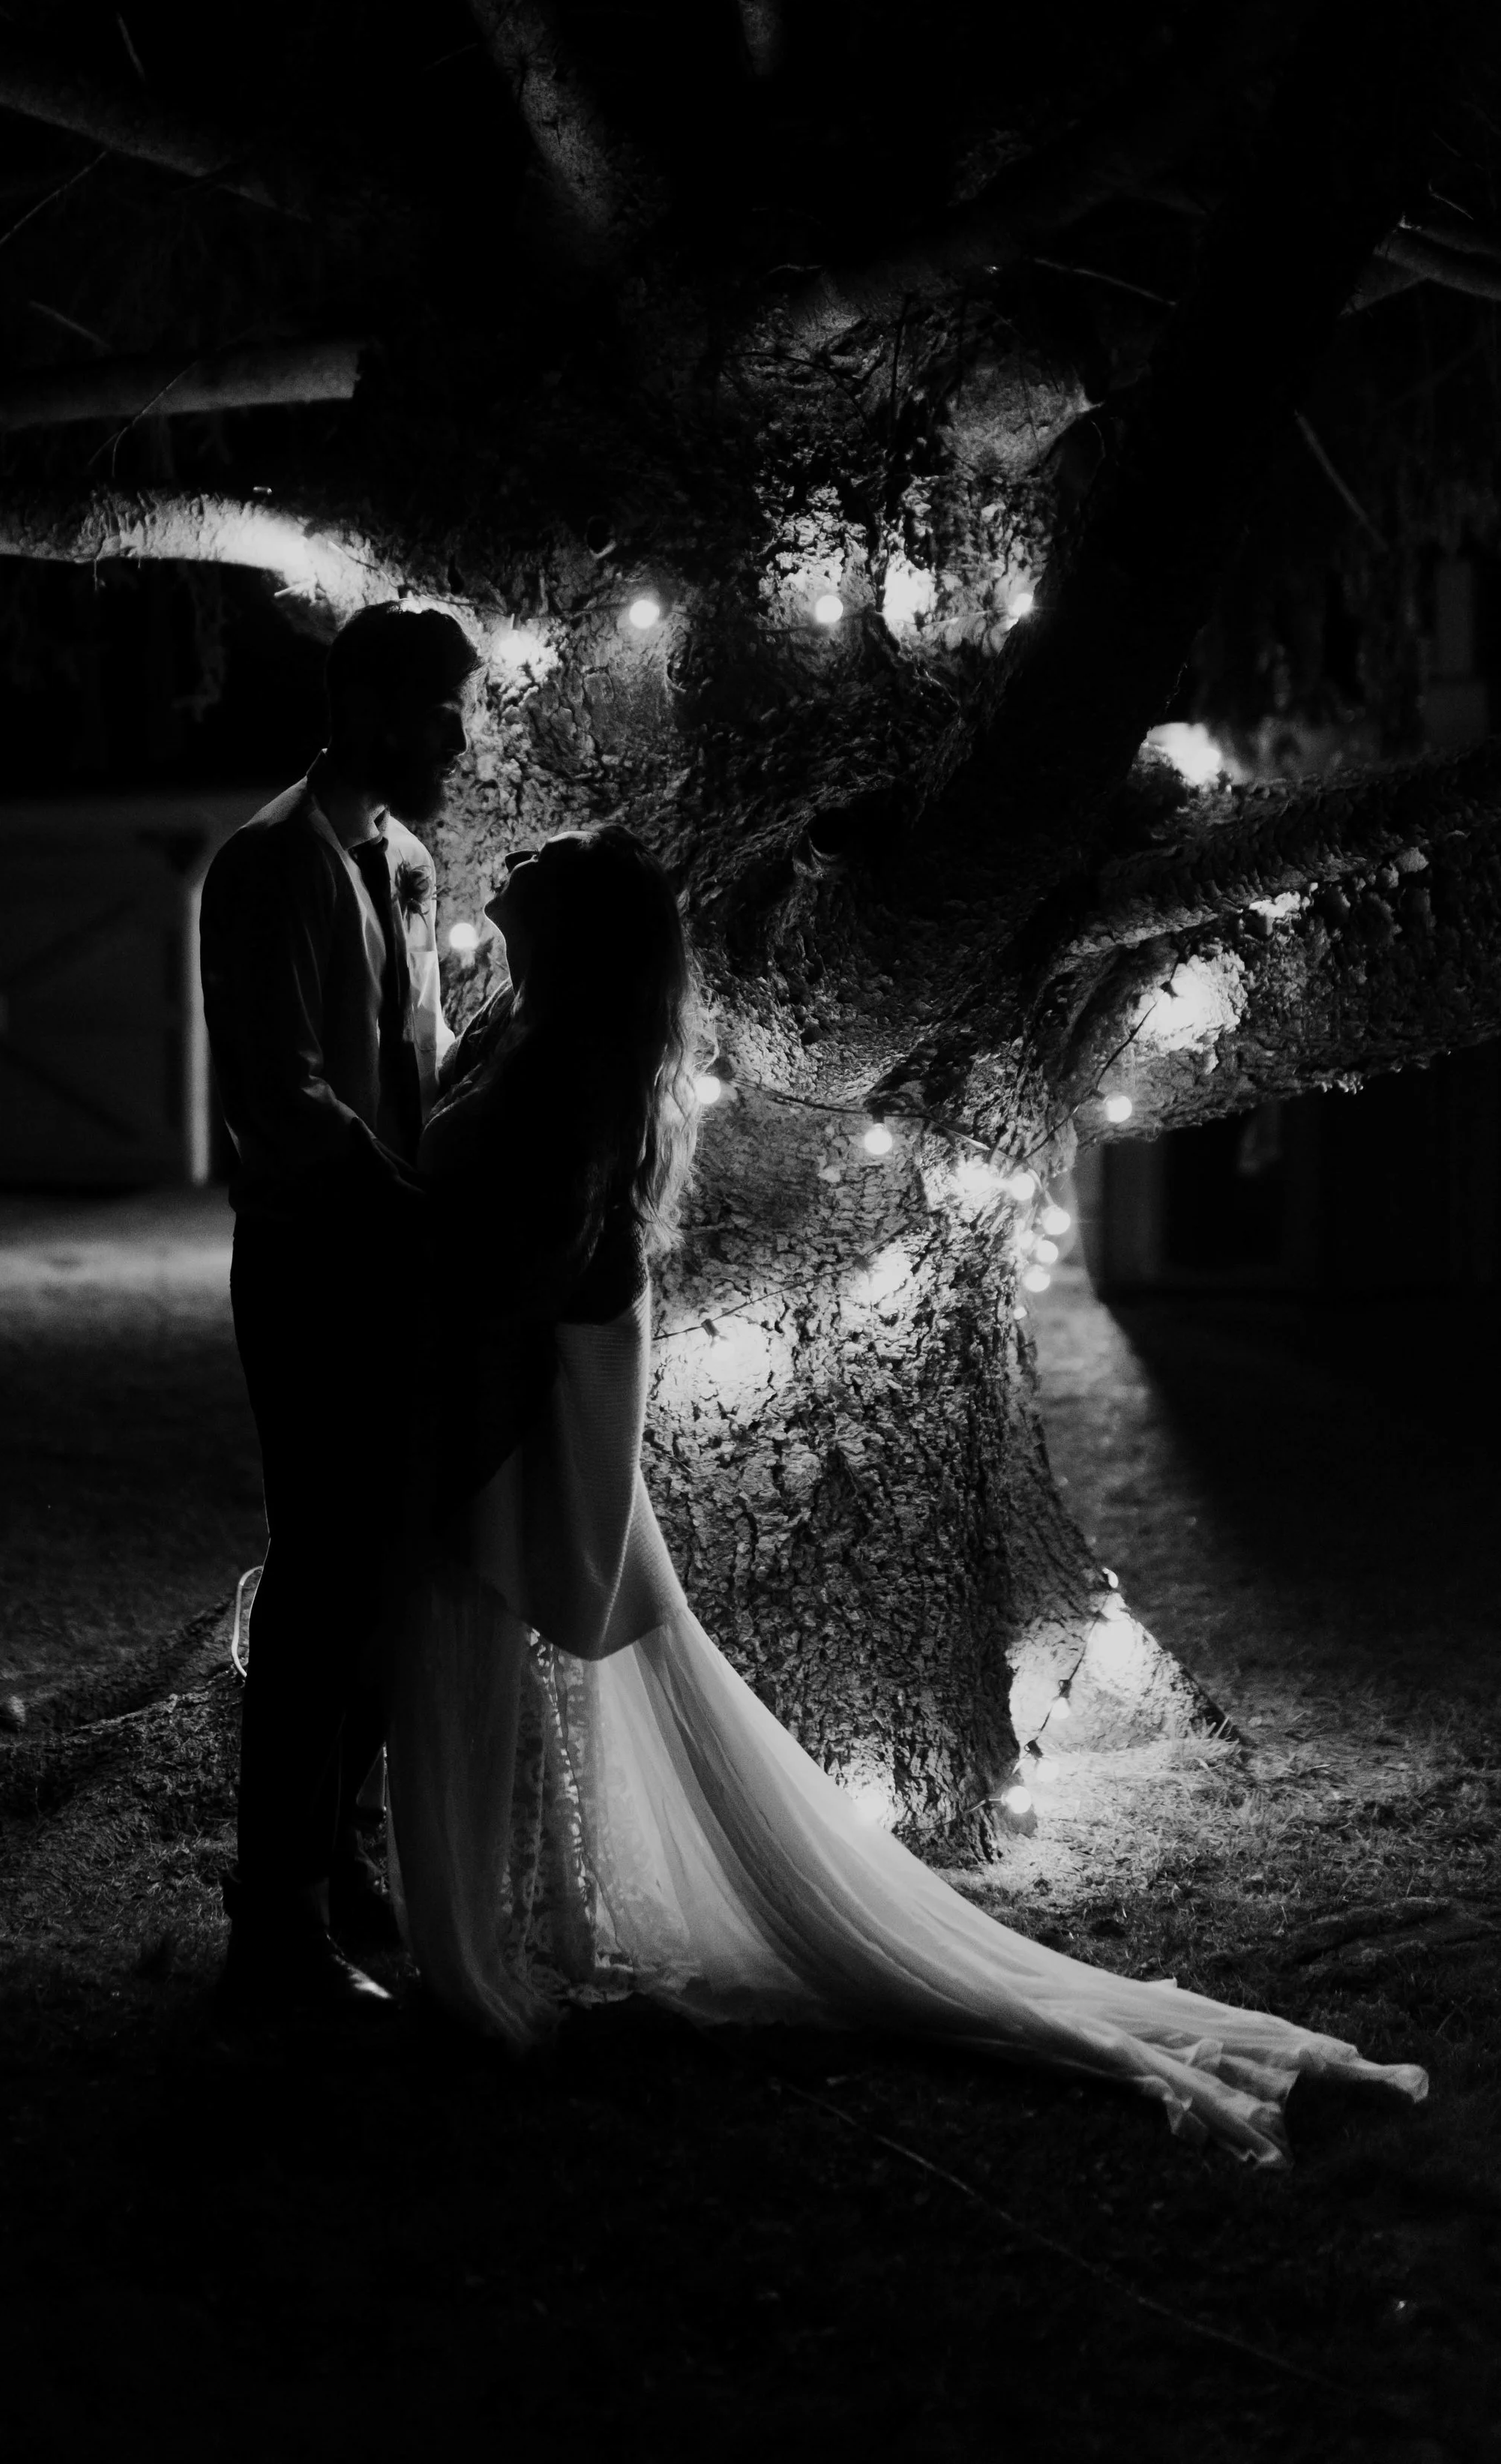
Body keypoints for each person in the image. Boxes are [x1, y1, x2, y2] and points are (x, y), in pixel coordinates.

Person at [388, 826, 1429, 2164]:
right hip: (504, 1405)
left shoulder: (566, 1070)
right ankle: (498, 1931)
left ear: (579, 930)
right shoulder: (531, 1038)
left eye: (553, 857)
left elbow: (516, 1264)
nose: (520, 853)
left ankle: (477, 1954)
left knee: (491, 1651)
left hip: (510, 1417)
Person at [201, 599, 478, 2010]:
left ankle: (331, 1846)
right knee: (319, 1586)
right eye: (441, 713)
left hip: (403, 1267)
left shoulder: (414, 866)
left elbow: (416, 1053)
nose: (460, 741)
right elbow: (283, 1096)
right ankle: (277, 1923)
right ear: (369, 704)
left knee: (385, 1586)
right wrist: (411, 1201)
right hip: (315, 1264)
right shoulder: (268, 866)